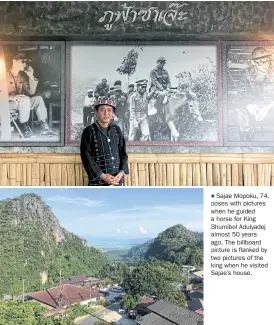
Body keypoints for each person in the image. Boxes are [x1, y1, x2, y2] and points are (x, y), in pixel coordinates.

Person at [6, 51, 57, 138]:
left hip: (22, 103)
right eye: (22, 61)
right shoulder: (3, 74)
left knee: (38, 99)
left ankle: (45, 128)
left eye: (26, 62)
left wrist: (31, 77)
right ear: (14, 61)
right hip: (7, 104)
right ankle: (25, 128)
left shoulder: (22, 76)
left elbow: (31, 92)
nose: (25, 64)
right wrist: (12, 97)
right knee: (25, 100)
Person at [80, 97, 129, 186]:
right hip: (98, 181)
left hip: (117, 179)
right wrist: (102, 176)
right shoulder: (88, 131)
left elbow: (123, 152)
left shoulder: (116, 129)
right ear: (96, 112)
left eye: (109, 110)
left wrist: (121, 173)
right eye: (102, 110)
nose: (106, 113)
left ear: (112, 113)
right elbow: (86, 155)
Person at [234, 47, 274, 140]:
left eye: (267, 61)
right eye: (260, 62)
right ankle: (245, 136)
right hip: (253, 103)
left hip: (270, 103)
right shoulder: (247, 73)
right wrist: (248, 105)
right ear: (253, 62)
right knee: (239, 109)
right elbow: (241, 94)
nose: (265, 65)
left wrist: (268, 106)